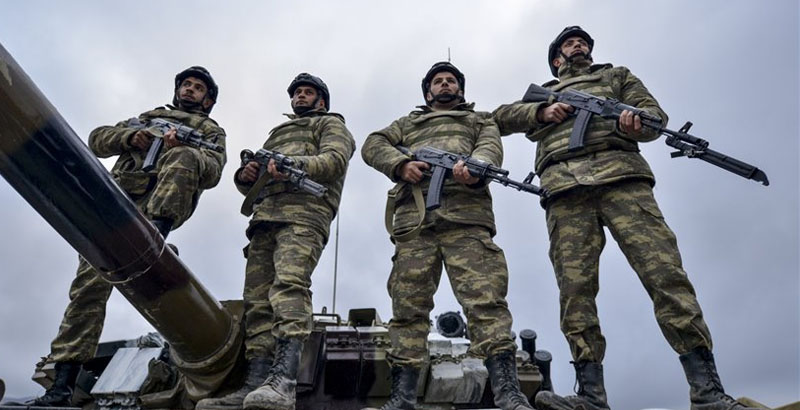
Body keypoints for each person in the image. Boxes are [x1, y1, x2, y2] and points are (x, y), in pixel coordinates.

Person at [493, 26, 757, 410]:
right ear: (556, 58)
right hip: (566, 193)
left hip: (624, 181)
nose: (578, 46)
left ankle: (707, 392)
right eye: (569, 43)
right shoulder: (545, 92)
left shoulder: (616, 76)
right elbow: (500, 118)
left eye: (583, 42)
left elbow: (654, 116)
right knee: (575, 293)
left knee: (666, 276)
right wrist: (541, 111)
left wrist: (635, 123)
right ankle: (591, 395)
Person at [31, 66, 226, 407]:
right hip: (116, 208)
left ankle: (154, 239)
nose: (190, 90)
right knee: (86, 293)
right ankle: (61, 386)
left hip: (159, 207)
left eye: (198, 88)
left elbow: (212, 172)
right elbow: (97, 140)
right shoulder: (148, 117)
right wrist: (132, 138)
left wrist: (181, 148)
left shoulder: (209, 131)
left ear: (208, 101)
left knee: (184, 155)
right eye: (186, 84)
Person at [360, 62, 533, 410]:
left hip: (467, 221)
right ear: (428, 92)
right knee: (407, 309)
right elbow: (373, 144)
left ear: (460, 89)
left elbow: (489, 150)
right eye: (438, 81)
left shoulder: (479, 120)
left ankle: (508, 393)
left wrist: (475, 168)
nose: (444, 85)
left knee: (486, 303)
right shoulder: (408, 124)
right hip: (415, 224)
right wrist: (400, 165)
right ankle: (402, 397)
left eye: (450, 81)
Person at [196, 73, 354, 410]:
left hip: (304, 215)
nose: (300, 96)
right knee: (257, 302)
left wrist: (294, 164)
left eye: (308, 92)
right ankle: (255, 382)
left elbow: (334, 161)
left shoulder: (331, 125)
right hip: (265, 218)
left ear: (321, 101)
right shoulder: (278, 133)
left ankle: (284, 381)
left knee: (289, 287)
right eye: (297, 92)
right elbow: (251, 185)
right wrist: (247, 176)